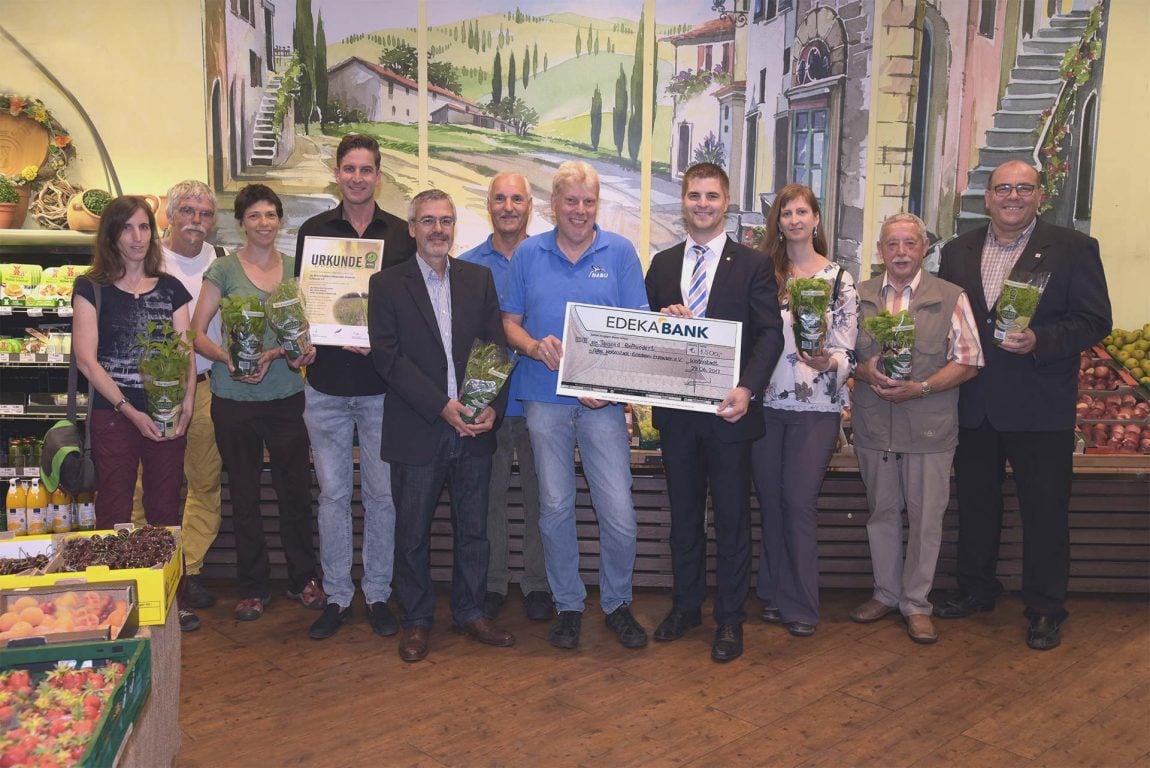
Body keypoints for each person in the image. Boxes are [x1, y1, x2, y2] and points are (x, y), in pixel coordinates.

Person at [935, 160, 1111, 650]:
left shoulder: (1074, 249)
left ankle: (1045, 607)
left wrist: (1041, 339)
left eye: (1023, 188)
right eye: (1003, 189)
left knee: (1045, 511)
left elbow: (1095, 320)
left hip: (1040, 403)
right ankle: (976, 589)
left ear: (1040, 196)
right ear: (988, 197)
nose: (1013, 196)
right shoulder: (957, 251)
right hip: (974, 403)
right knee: (975, 505)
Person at [502, 160, 650, 651]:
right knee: (555, 507)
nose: (580, 210)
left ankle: (617, 603)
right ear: (554, 204)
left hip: (604, 406)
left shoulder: (621, 252)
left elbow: (638, 327)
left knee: (619, 511)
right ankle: (568, 604)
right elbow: (510, 323)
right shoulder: (528, 253)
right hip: (543, 399)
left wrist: (611, 384)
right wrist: (531, 347)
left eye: (589, 202)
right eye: (571, 201)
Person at [643, 163, 783, 662]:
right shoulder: (661, 266)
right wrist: (658, 321)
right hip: (677, 417)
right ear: (684, 201)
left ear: (726, 202)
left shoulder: (753, 264)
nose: (702, 203)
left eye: (711, 196)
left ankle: (729, 619)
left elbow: (771, 334)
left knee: (730, 519)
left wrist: (748, 388)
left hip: (731, 412)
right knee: (683, 518)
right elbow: (645, 339)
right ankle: (685, 608)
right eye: (694, 195)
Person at [369, 189, 514, 662]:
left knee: (474, 528)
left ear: (455, 228)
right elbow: (389, 359)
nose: (437, 229)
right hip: (419, 426)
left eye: (446, 221)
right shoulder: (387, 284)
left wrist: (491, 407)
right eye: (427, 221)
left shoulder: (479, 279)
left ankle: (471, 611)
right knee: (412, 532)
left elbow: (497, 350)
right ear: (412, 228)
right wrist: (442, 406)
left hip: (474, 430)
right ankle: (415, 619)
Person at [294, 134, 415, 641]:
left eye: (367, 169)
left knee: (383, 496)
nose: (358, 177)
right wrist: (301, 337)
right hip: (325, 385)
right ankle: (340, 596)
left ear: (378, 175)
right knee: (333, 496)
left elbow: (412, 312)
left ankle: (380, 594)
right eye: (350, 169)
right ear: (338, 174)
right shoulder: (314, 232)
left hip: (383, 388)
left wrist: (384, 343)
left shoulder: (402, 236)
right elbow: (305, 304)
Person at [191, 184, 323, 622]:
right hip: (234, 400)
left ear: (280, 221)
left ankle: (304, 578)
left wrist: (299, 350)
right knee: (244, 495)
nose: (263, 223)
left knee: (296, 493)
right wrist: (230, 358)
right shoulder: (224, 271)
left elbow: (305, 335)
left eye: (270, 215)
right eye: (254, 216)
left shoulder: (296, 270)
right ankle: (252, 588)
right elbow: (197, 332)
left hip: (286, 397)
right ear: (241, 223)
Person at [849, 213, 983, 644]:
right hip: (875, 427)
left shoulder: (950, 296)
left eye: (910, 244)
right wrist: (865, 370)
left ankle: (917, 604)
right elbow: (844, 351)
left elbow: (969, 360)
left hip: (929, 428)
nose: (901, 252)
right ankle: (885, 594)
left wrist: (921, 387)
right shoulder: (860, 294)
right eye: (892, 244)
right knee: (882, 514)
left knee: (926, 519)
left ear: (924, 249)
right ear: (880, 252)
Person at [752, 183, 858, 639]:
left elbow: (848, 350)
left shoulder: (839, 280)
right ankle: (773, 594)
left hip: (817, 406)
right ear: (777, 222)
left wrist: (828, 361)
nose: (794, 220)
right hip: (765, 402)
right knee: (771, 503)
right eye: (786, 213)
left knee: (798, 501)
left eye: (802, 212)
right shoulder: (764, 275)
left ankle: (801, 606)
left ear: (816, 219)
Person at [458, 172, 551, 623]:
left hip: (539, 399)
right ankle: (494, 582)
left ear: (529, 204)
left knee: (542, 498)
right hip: (487, 407)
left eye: (517, 198)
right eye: (500, 198)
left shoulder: (546, 259)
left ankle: (536, 584)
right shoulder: (468, 265)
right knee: (488, 498)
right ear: (488, 205)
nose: (509, 206)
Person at [72, 196, 196, 530]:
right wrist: (129, 410)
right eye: (127, 228)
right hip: (112, 414)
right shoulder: (91, 288)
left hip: (165, 412)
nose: (137, 237)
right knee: (114, 508)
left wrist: (187, 403)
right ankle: (115, 583)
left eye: (144, 227)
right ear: (111, 235)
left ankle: (166, 583)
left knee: (165, 509)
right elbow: (87, 361)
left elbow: (186, 352)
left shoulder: (171, 289)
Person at [139, 181, 225, 633]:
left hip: (208, 387)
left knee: (204, 483)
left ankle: (187, 570)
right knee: (146, 485)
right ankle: (143, 571)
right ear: (169, 216)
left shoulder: (222, 261)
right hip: (155, 392)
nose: (196, 221)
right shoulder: (148, 260)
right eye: (188, 211)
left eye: (205, 213)